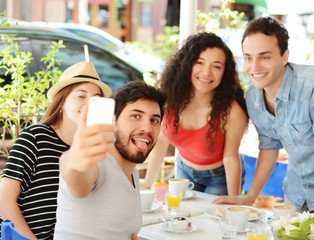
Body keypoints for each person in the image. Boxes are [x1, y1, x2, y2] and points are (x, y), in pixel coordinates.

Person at [213, 17, 314, 239]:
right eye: (248, 58)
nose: (255, 67)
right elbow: (269, 146)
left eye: (265, 57)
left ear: (284, 56)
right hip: (297, 189)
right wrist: (250, 196)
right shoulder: (253, 96)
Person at [0, 61, 112, 240]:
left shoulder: (91, 150)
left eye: (95, 98)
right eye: (81, 96)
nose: (89, 104)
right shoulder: (34, 138)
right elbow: (4, 201)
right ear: (62, 103)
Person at [53, 81, 165, 240]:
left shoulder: (131, 171)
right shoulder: (98, 164)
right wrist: (74, 160)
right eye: (135, 116)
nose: (147, 128)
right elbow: (75, 175)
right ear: (113, 121)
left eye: (154, 120)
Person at [141, 32, 249, 196]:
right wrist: (148, 183)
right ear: (187, 65)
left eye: (216, 66)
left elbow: (231, 158)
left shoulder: (232, 112)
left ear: (224, 73)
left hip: (220, 177)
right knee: (182, 218)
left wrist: (233, 200)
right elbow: (161, 142)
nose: (207, 72)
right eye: (200, 62)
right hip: (184, 170)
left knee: (213, 221)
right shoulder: (170, 99)